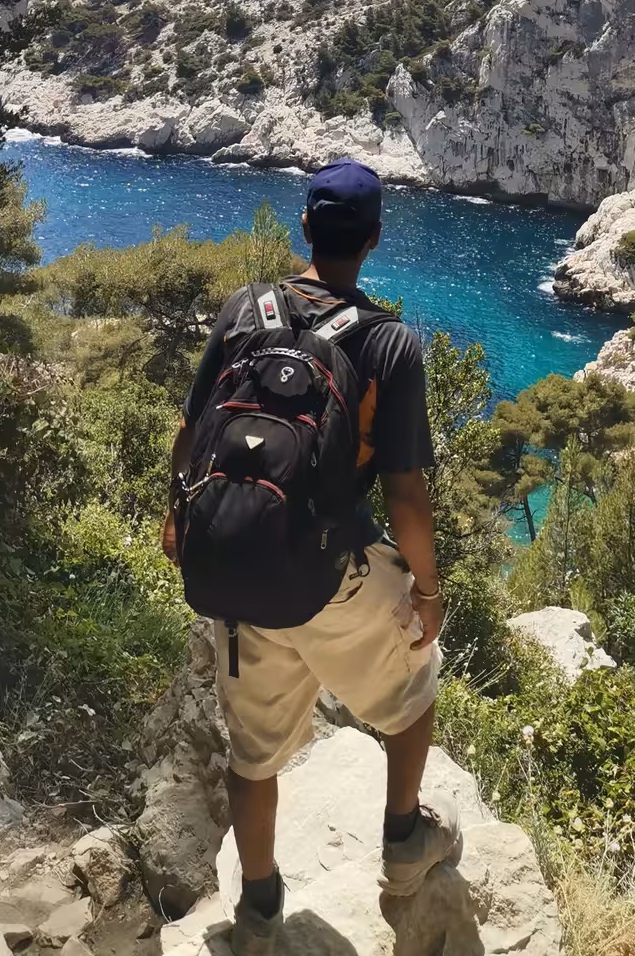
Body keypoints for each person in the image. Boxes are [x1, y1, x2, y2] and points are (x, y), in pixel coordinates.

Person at [162, 160, 459, 951]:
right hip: (331, 576)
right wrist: (426, 592)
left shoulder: (243, 307)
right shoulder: (388, 341)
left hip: (239, 571)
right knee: (418, 686)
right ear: (373, 240)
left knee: (252, 758)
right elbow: (404, 495)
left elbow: (192, 434)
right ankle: (404, 843)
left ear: (303, 228)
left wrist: (178, 518)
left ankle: (258, 911)